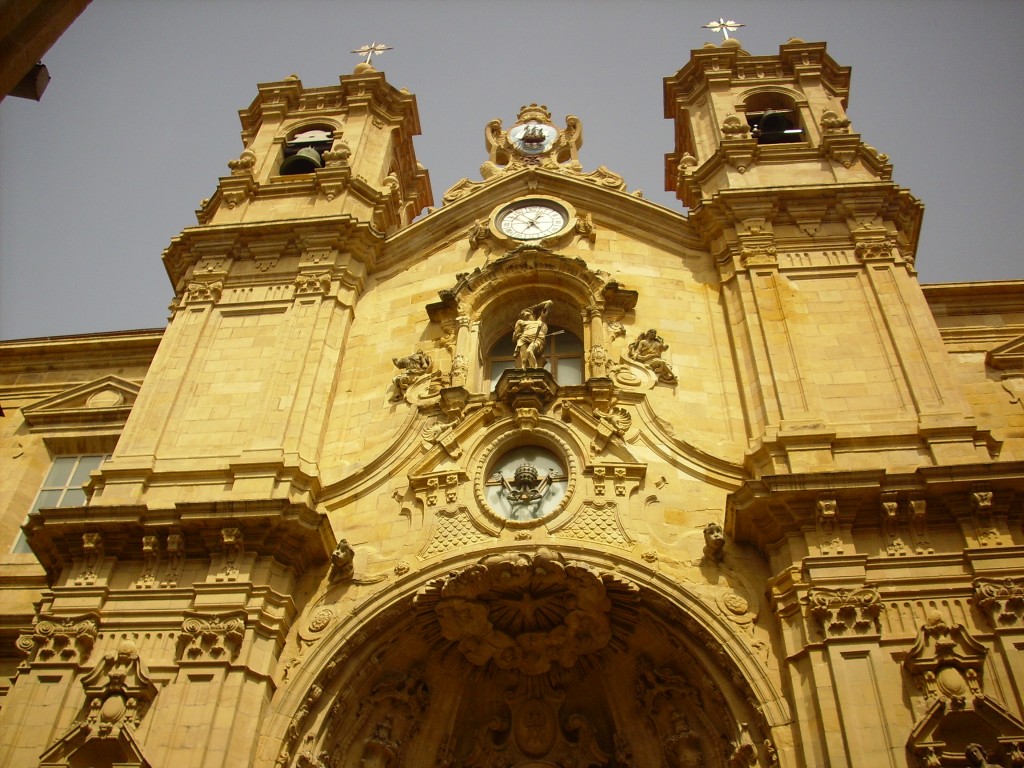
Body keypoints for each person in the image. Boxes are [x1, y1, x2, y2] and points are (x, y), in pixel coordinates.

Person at [513, 300, 553, 369]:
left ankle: (534, 368)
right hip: (524, 339)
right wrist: (516, 335)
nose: (526, 316)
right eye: (524, 315)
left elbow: (549, 302)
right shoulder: (521, 322)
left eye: (528, 314)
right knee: (524, 360)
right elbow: (515, 337)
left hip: (537, 339)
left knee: (529, 351)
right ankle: (524, 370)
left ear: (533, 315)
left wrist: (535, 307)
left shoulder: (540, 320)